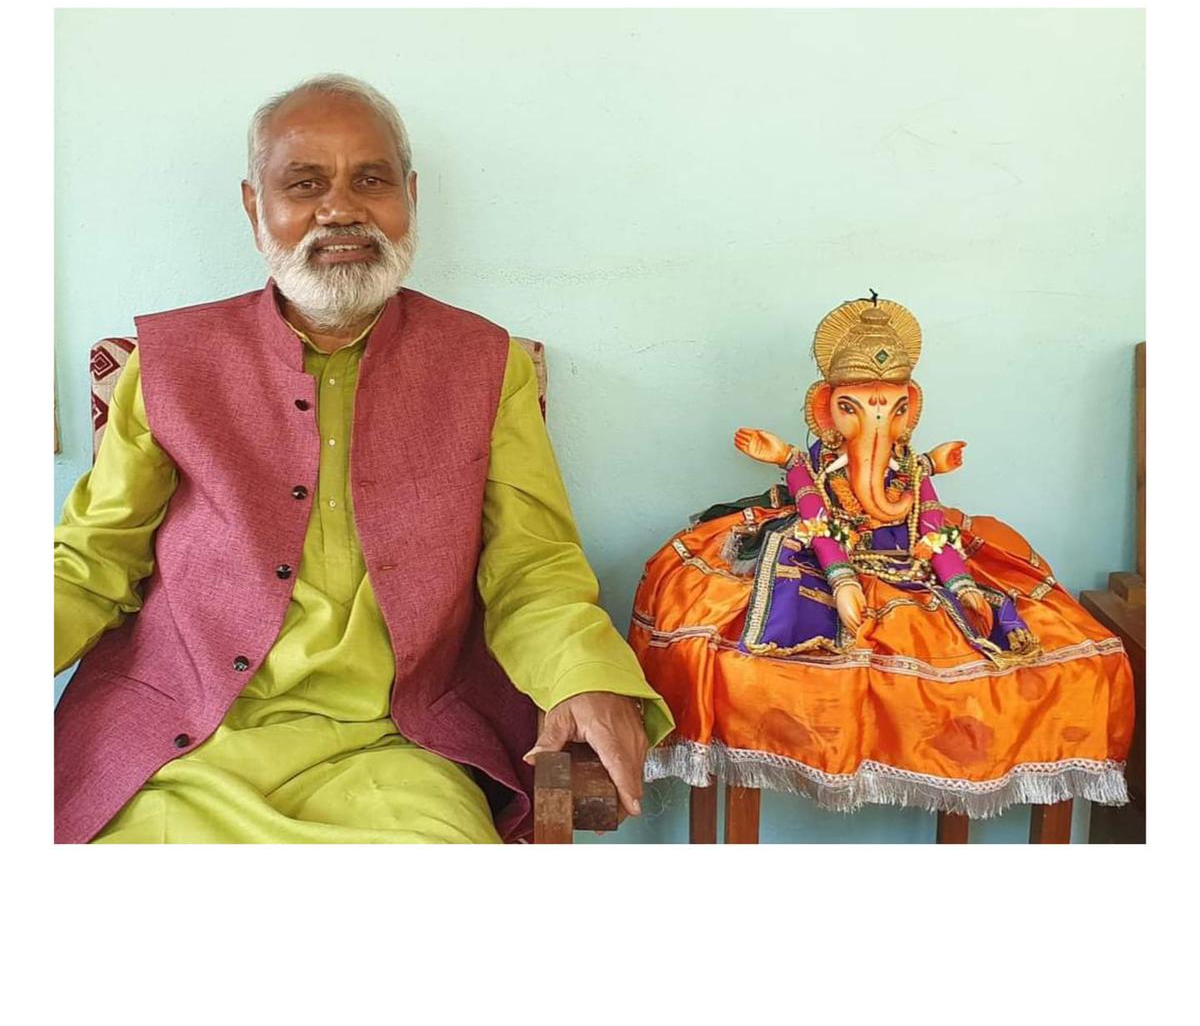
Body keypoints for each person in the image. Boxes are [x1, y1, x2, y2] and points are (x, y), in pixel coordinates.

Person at [54, 73, 672, 843]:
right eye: (304, 183)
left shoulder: (485, 366)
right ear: (256, 207)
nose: (340, 208)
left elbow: (531, 566)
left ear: (411, 196)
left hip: (400, 747)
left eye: (370, 180)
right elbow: (89, 562)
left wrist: (586, 676)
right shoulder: (169, 363)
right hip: (178, 741)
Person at [630, 297, 1133, 817]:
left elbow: (931, 526)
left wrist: (960, 584)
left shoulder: (911, 472)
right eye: (853, 408)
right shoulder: (815, 469)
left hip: (907, 557)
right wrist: (842, 577)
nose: (876, 424)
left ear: (907, 409)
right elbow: (816, 521)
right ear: (827, 408)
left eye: (891, 409)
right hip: (829, 556)